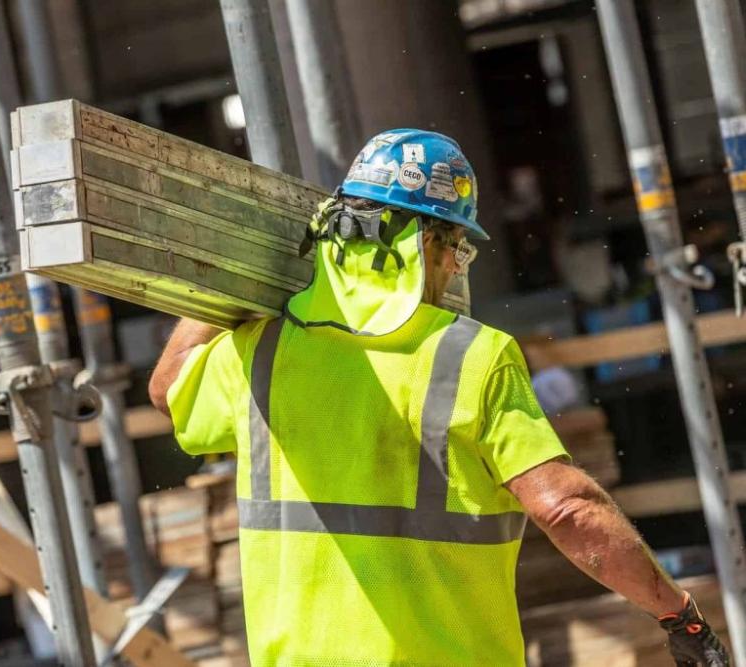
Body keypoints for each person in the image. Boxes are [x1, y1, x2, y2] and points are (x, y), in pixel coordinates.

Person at [149, 130, 728, 665]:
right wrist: (679, 614)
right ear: (421, 242)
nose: (455, 267)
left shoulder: (261, 351)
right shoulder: (471, 355)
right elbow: (566, 509)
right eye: (456, 247)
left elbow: (168, 390)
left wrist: (230, 284)